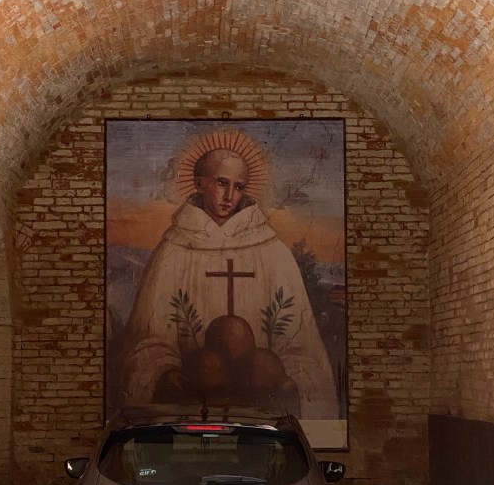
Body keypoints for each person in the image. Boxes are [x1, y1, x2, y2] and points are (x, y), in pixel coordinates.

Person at [119, 147, 339, 421]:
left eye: (238, 187)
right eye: (222, 183)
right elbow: (149, 340)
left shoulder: (272, 252)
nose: (229, 196)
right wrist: (166, 375)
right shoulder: (173, 251)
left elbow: (300, 344)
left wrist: (287, 382)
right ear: (199, 183)